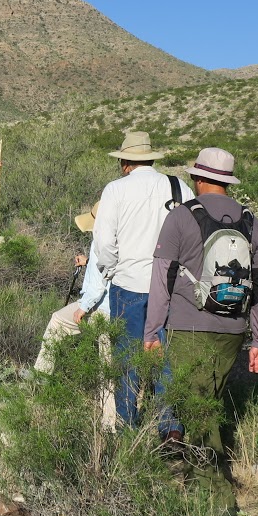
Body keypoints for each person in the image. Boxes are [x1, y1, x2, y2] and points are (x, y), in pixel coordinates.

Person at [144, 147, 258, 509]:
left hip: (189, 328)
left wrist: (152, 331)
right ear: (227, 181)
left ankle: (216, 497)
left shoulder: (181, 217)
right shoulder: (250, 221)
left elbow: (161, 279)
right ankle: (204, 485)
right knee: (208, 402)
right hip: (233, 330)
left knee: (197, 409)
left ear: (198, 179)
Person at [91, 130, 187, 427]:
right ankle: (170, 428)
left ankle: (127, 428)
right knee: (167, 361)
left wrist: (110, 271)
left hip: (128, 286)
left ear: (125, 161)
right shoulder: (179, 187)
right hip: (170, 288)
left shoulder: (115, 190)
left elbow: (103, 243)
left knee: (126, 362)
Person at [34, 203, 112, 374]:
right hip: (119, 306)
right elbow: (110, 267)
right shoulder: (123, 237)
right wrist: (89, 262)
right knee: (108, 362)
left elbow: (99, 283)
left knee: (58, 321)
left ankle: (41, 375)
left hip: (100, 306)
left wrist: (83, 308)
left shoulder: (101, 241)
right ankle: (111, 400)